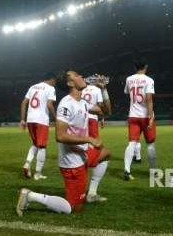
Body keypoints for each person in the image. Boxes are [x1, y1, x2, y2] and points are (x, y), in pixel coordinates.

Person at [16, 70, 111, 215]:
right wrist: (88, 138)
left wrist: (103, 90)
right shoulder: (66, 105)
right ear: (70, 83)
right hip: (72, 163)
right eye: (77, 75)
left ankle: (91, 193)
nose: (81, 76)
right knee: (74, 209)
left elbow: (106, 111)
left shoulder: (83, 102)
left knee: (105, 153)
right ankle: (29, 195)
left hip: (83, 153)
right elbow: (60, 136)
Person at [123, 60, 157, 180]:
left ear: (134, 67)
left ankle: (127, 169)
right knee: (150, 144)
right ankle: (153, 171)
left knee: (131, 143)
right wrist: (151, 117)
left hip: (133, 115)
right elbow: (148, 99)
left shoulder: (129, 79)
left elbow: (127, 93)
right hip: (145, 116)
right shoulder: (149, 80)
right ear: (146, 66)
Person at [20, 73, 57, 180]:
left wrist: (22, 119)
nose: (54, 84)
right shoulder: (50, 88)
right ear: (52, 79)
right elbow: (49, 105)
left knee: (35, 144)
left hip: (30, 119)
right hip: (41, 119)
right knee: (42, 147)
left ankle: (27, 163)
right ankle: (38, 173)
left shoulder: (32, 87)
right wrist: (56, 118)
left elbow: (23, 103)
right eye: (54, 82)